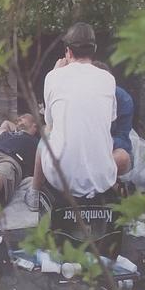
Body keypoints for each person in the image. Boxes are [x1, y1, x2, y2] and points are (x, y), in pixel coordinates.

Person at [33, 22, 118, 200]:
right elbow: (109, 121)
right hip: (103, 177)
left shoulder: (53, 76)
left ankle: (34, 192)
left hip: (60, 177)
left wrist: (55, 72)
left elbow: (50, 123)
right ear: (93, 50)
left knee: (46, 132)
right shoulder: (108, 78)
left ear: (68, 52)